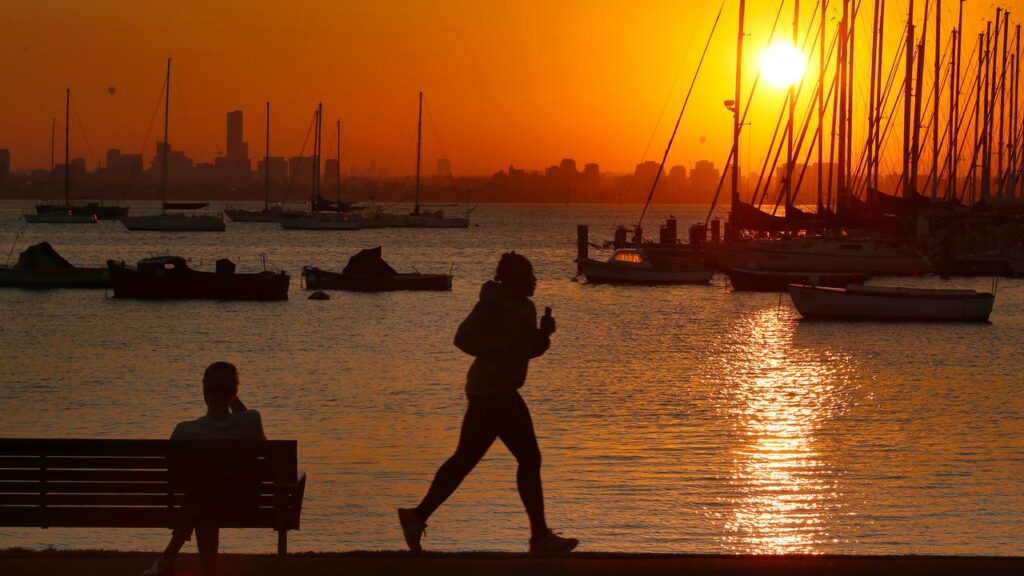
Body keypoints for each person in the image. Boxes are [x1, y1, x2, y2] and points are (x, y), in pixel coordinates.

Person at [398, 252, 578, 555]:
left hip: (497, 389)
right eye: (528, 274)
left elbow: (525, 351)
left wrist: (542, 336)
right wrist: (502, 347)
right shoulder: (493, 304)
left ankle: (417, 516)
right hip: (493, 392)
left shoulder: (526, 307)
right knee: (528, 458)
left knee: (465, 460)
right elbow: (463, 339)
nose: (534, 280)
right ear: (511, 278)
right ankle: (538, 538)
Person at [142, 361, 266, 576]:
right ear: (234, 392)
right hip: (245, 506)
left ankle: (166, 560)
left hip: (197, 506)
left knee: (201, 496)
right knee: (205, 497)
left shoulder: (186, 431)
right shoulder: (251, 421)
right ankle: (169, 561)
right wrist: (232, 398)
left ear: (204, 392)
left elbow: (172, 477)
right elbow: (264, 451)